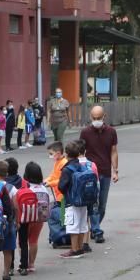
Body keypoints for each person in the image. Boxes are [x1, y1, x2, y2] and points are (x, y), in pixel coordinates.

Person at [79, 105, 119, 244]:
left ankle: (94, 226)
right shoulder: (85, 132)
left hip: (106, 172)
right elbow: (80, 151)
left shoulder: (111, 132)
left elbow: (113, 151)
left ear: (104, 117)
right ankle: (96, 230)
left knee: (102, 205)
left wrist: (115, 171)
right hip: (90, 173)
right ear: (91, 117)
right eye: (94, 118)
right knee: (94, 203)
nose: (96, 120)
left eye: (99, 118)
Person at [57, 140, 93, 259]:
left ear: (66, 154)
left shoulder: (67, 169)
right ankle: (80, 247)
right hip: (84, 200)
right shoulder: (82, 166)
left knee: (72, 225)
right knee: (82, 224)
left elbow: (62, 186)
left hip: (71, 201)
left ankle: (74, 249)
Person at [18, 162, 49, 274]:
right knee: (34, 240)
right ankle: (32, 264)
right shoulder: (43, 188)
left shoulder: (26, 187)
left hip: (26, 216)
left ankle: (24, 262)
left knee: (22, 241)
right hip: (40, 217)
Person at [0, 159, 19, 280]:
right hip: (8, 222)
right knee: (8, 249)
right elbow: (15, 206)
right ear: (7, 174)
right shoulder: (12, 188)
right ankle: (6, 273)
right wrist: (18, 221)